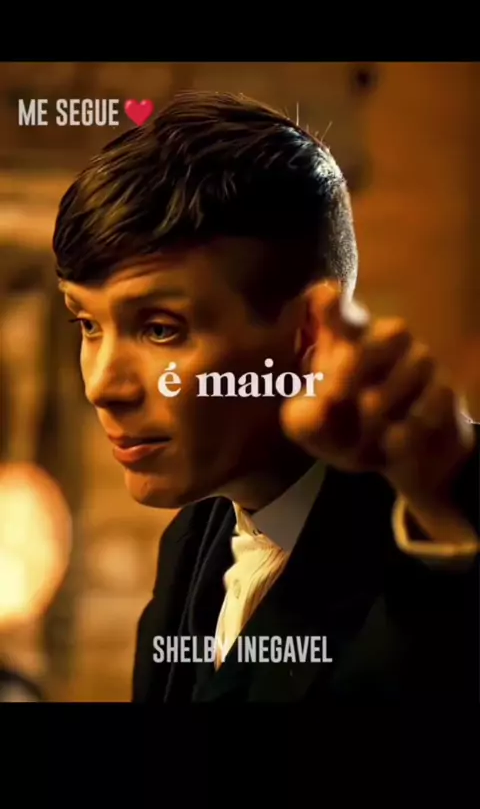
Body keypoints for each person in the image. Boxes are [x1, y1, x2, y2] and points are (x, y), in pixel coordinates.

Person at [52, 91, 479, 702]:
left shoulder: (439, 520)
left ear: (309, 334)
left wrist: (446, 502)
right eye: (87, 324)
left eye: (161, 329)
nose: (101, 385)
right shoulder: (190, 541)